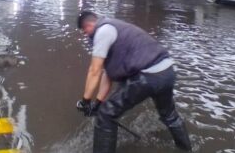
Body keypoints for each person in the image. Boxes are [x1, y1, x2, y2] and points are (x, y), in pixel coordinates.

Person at [76, 11, 192, 152]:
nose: (85, 34)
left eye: (84, 31)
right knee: (169, 115)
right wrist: (98, 103)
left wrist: (85, 100)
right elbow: (107, 75)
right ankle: (186, 149)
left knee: (106, 115)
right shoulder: (115, 27)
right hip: (167, 71)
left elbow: (94, 70)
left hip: (147, 76)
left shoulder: (102, 32)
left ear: (89, 24)